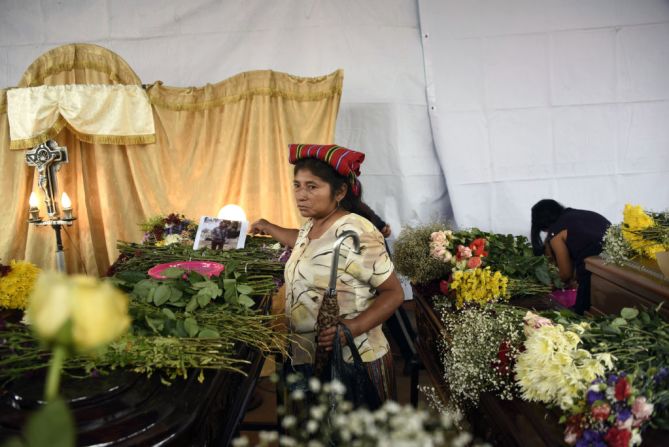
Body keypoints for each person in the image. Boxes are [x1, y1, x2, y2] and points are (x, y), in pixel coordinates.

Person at [250, 144, 404, 402]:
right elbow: (304, 242)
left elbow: (394, 293)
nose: (301, 195)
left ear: (340, 191)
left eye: (312, 186)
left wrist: (351, 328)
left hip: (352, 361)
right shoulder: (313, 224)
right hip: (308, 355)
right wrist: (268, 226)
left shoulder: (356, 232)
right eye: (297, 185)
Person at [531, 199, 611, 314]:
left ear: (542, 225)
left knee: (579, 314)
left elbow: (566, 274)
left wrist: (551, 286)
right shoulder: (577, 215)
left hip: (594, 270)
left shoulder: (556, 234)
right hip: (616, 261)